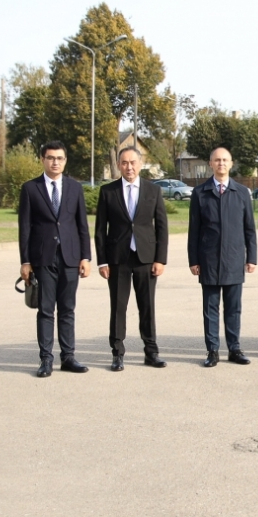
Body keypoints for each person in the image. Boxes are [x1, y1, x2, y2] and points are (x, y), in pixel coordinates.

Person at [18, 141, 93, 377]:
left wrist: (86, 257)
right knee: (46, 310)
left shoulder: (74, 188)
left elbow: (82, 225)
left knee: (68, 309)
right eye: (51, 158)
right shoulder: (31, 188)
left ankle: (68, 357)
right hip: (43, 258)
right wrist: (26, 261)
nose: (55, 162)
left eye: (60, 158)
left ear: (65, 160)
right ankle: (46, 359)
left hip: (70, 258)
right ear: (42, 159)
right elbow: (25, 228)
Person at [94, 145, 169, 371]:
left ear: (140, 164)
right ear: (118, 165)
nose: (129, 167)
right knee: (118, 307)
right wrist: (102, 261)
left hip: (146, 258)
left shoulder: (152, 191)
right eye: (124, 163)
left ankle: (151, 352)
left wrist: (160, 259)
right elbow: (99, 230)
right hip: (118, 260)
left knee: (147, 307)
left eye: (132, 162)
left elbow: (162, 227)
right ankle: (117, 353)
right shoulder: (108, 192)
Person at [188, 146, 257, 366]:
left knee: (234, 307)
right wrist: (194, 260)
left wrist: (252, 257)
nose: (221, 164)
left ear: (231, 163)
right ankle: (213, 351)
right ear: (210, 164)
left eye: (225, 160)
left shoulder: (242, 193)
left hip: (234, 258)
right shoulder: (200, 193)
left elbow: (249, 228)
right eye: (217, 160)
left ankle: (234, 349)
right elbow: (194, 230)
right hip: (208, 260)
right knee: (210, 308)